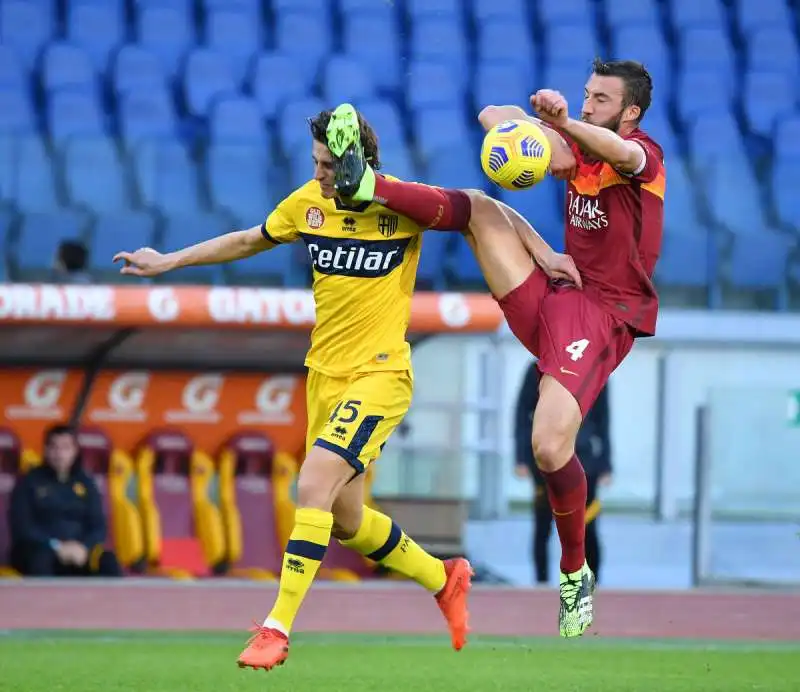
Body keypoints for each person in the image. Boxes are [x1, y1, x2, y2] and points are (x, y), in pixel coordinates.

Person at [111, 104, 474, 672]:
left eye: (329, 165)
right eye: (316, 164)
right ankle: (443, 577)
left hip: (379, 375)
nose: (321, 175)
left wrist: (541, 258)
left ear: (359, 161)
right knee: (349, 522)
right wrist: (170, 261)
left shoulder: (402, 205)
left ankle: (276, 626)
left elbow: (477, 217)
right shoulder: (306, 204)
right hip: (323, 377)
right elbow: (248, 240)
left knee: (312, 483)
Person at [342, 59, 664, 637]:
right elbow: (493, 115)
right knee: (480, 207)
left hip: (603, 312)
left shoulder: (643, 157)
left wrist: (561, 123)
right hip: (554, 293)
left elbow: (617, 155)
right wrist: (526, 127)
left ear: (631, 112)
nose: (588, 104)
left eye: (600, 99)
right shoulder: (576, 151)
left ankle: (573, 574)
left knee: (547, 446)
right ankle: (369, 185)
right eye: (585, 95)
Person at [514, 363, 612, 585]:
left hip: (584, 460)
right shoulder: (539, 368)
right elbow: (522, 413)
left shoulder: (597, 369)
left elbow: (603, 419)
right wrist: (520, 457)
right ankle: (540, 584)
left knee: (587, 528)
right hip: (546, 460)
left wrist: (606, 463)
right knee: (543, 527)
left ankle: (591, 584)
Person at [8, 424, 122, 577]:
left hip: (79, 551)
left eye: (66, 448)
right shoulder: (29, 481)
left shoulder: (86, 483)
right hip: (41, 548)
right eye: (54, 447)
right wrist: (57, 546)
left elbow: (99, 527)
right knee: (40, 559)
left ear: (75, 451)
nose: (60, 454)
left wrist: (83, 547)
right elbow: (23, 527)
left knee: (108, 561)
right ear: (46, 450)